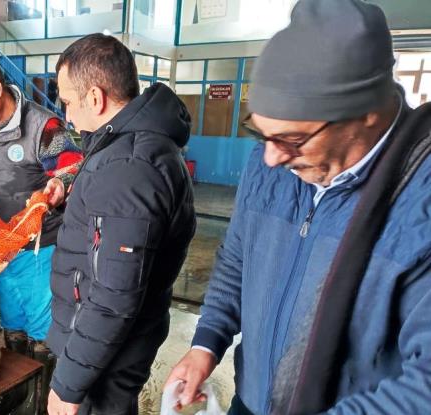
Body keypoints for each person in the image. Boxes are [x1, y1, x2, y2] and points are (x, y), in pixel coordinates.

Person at [166, 1, 431, 414]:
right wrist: (206, 343)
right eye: (260, 133)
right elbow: (238, 258)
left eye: (291, 138)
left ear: (366, 113)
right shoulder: (271, 162)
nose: (271, 158)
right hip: (252, 401)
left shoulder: (420, 200)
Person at [46, 34, 196, 415]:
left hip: (107, 353)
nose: (67, 115)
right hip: (113, 344)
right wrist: (70, 188)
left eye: (67, 101)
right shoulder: (134, 147)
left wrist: (68, 385)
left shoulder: (128, 168)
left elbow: (114, 296)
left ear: (95, 98)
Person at [0, 55, 82, 407]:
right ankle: (16, 393)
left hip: (43, 248)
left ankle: (43, 402)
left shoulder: (44, 125)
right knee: (13, 324)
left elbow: (73, 166)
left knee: (44, 332)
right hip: (2, 248)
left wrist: (58, 186)